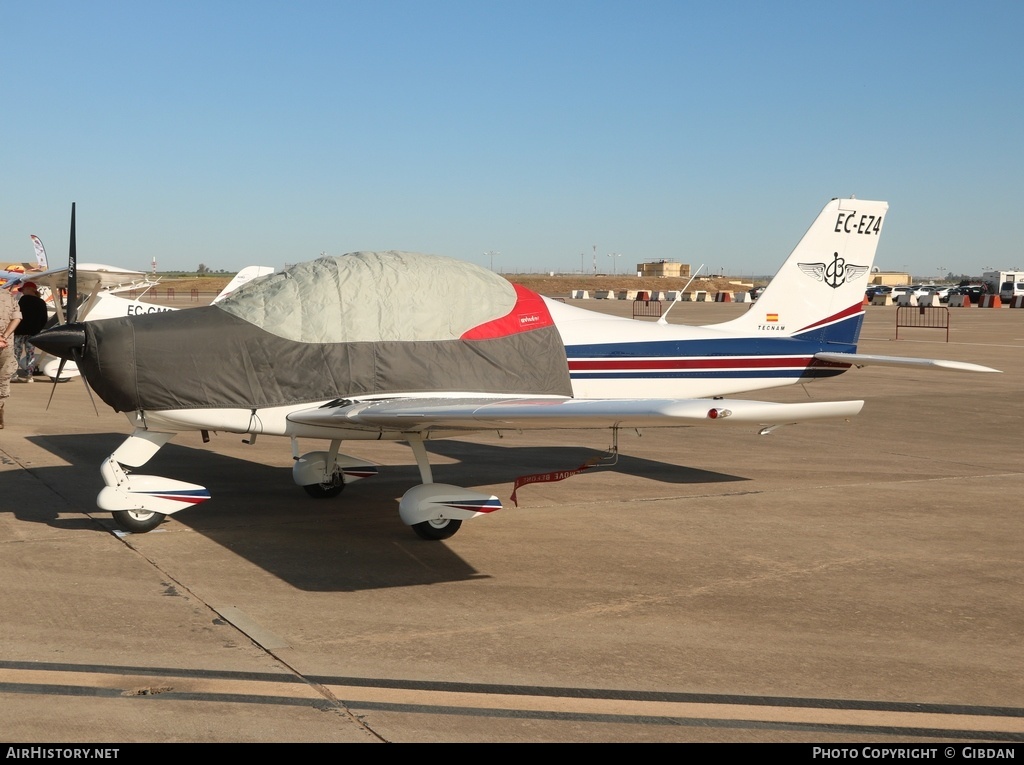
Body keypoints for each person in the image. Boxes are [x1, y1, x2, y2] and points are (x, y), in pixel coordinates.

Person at [12, 282, 48, 383]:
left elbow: (16, 315)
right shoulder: (41, 302)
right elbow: (44, 319)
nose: (22, 292)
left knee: (16, 353)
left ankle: (14, 374)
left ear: (29, 289)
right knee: (30, 354)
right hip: (33, 333)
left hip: (19, 331)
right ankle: (29, 375)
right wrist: (37, 329)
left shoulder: (23, 300)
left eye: (23, 290)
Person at [0, 285, 23, 428]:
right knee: (3, 378)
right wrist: (4, 336)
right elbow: (17, 318)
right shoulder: (9, 296)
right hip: (6, 344)